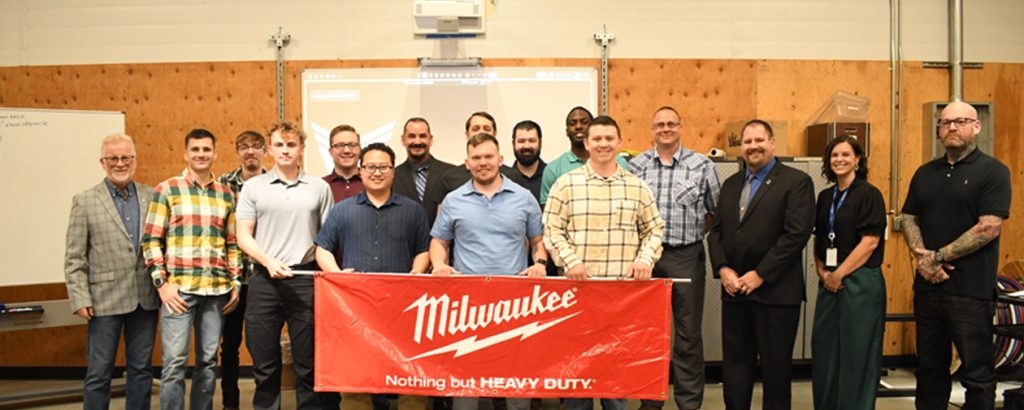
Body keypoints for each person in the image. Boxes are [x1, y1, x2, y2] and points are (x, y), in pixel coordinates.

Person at [543, 115, 664, 410]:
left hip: (621, 300)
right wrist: (569, 261)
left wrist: (645, 258)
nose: (603, 144)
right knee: (578, 380)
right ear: (586, 143)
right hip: (576, 297)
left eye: (609, 139)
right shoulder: (565, 184)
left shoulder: (637, 187)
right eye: (597, 139)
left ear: (619, 143)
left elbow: (655, 229)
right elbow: (552, 229)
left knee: (615, 383)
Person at [898, 101, 1011, 410]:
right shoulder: (925, 172)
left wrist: (938, 255)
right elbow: (908, 218)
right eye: (945, 122)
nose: (951, 127)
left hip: (970, 293)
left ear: (976, 127)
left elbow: (989, 227)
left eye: (960, 121)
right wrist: (924, 260)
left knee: (976, 374)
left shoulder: (993, 171)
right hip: (927, 288)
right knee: (930, 371)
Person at [430, 133, 547, 410]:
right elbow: (438, 241)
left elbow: (538, 241)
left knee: (516, 383)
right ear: (467, 163)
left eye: (488, 157)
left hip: (516, 304)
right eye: (476, 158)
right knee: (466, 383)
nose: (483, 163)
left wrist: (539, 264)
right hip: (468, 306)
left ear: (501, 160)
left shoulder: (524, 197)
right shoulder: (453, 200)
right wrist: (439, 264)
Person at [707, 120, 814, 410]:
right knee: (735, 369)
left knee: (775, 373)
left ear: (772, 143)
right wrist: (723, 269)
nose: (753, 146)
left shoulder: (796, 182)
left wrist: (760, 274)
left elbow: (796, 235)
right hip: (735, 292)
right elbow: (716, 232)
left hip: (776, 295)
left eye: (759, 140)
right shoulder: (730, 184)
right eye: (747, 141)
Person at [315, 142, 431, 410]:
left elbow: (424, 249)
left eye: (383, 167)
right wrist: (337, 277)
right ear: (361, 170)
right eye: (370, 167)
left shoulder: (412, 210)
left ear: (392, 172)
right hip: (356, 309)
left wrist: (415, 273)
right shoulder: (342, 210)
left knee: (410, 376)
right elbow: (322, 249)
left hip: (403, 307)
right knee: (357, 378)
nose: (376, 172)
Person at [236, 122, 333, 410]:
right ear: (270, 150)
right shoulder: (253, 187)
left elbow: (326, 239)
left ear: (301, 149)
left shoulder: (319, 187)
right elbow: (243, 235)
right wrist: (267, 261)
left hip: (304, 280)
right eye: (279, 145)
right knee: (265, 366)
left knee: (308, 364)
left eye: (291, 145)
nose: (285, 150)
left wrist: (335, 273)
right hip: (265, 281)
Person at [143, 128, 241, 410]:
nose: (201, 155)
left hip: (216, 290)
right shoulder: (167, 189)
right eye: (195, 150)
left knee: (209, 361)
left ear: (215, 153)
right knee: (174, 362)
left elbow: (232, 243)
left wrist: (234, 282)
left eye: (206, 150)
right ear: (186, 153)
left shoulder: (225, 195)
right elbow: (150, 241)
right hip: (179, 292)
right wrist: (162, 283)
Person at [629, 106, 720, 410]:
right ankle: (649, 402)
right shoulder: (636, 166)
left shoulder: (702, 165)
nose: (665, 129)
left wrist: (692, 237)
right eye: (659, 124)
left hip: (686, 255)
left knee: (688, 335)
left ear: (681, 127)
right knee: (645, 334)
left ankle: (689, 402)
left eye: (671, 124)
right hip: (645, 260)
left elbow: (715, 213)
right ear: (652, 129)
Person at [65, 133, 159, 410]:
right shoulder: (84, 201)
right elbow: (74, 256)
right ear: (103, 162)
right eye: (113, 158)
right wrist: (80, 297)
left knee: (141, 369)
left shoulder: (151, 196)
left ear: (134, 160)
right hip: (103, 301)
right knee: (99, 372)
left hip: (145, 298)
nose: (120, 163)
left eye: (125, 158)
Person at [809, 135, 886, 409]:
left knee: (858, 351)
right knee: (825, 350)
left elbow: (870, 242)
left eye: (845, 155)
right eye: (834, 155)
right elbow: (819, 238)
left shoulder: (869, 194)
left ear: (857, 160)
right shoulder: (825, 196)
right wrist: (822, 272)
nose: (839, 160)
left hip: (860, 281)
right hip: (828, 281)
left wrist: (838, 274)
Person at [216, 130, 267, 410]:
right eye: (244, 147)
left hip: (263, 275)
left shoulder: (274, 182)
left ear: (264, 151)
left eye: (256, 147)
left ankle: (265, 400)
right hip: (231, 278)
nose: (250, 152)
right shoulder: (222, 184)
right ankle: (230, 403)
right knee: (230, 345)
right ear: (237, 152)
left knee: (262, 344)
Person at [539, 106, 630, 207]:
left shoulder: (619, 163)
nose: (578, 126)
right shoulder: (553, 169)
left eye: (584, 122)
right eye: (572, 123)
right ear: (567, 131)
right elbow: (549, 213)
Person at [432, 112, 527, 209]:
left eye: (487, 129)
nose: (481, 132)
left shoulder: (514, 177)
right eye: (475, 129)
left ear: (495, 134)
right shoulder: (450, 178)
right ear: (467, 134)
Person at [392, 117, 455, 224]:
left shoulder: (451, 173)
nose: (417, 141)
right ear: (403, 140)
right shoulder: (392, 176)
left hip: (443, 240)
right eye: (411, 136)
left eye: (422, 136)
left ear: (431, 140)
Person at [324, 124, 364, 203]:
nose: (347, 151)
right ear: (330, 152)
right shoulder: (321, 186)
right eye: (340, 145)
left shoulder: (373, 183)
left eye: (352, 145)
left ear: (360, 150)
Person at [510, 120, 547, 203]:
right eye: (521, 141)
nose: (527, 146)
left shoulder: (551, 176)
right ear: (513, 144)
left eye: (532, 141)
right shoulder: (505, 179)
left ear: (540, 143)